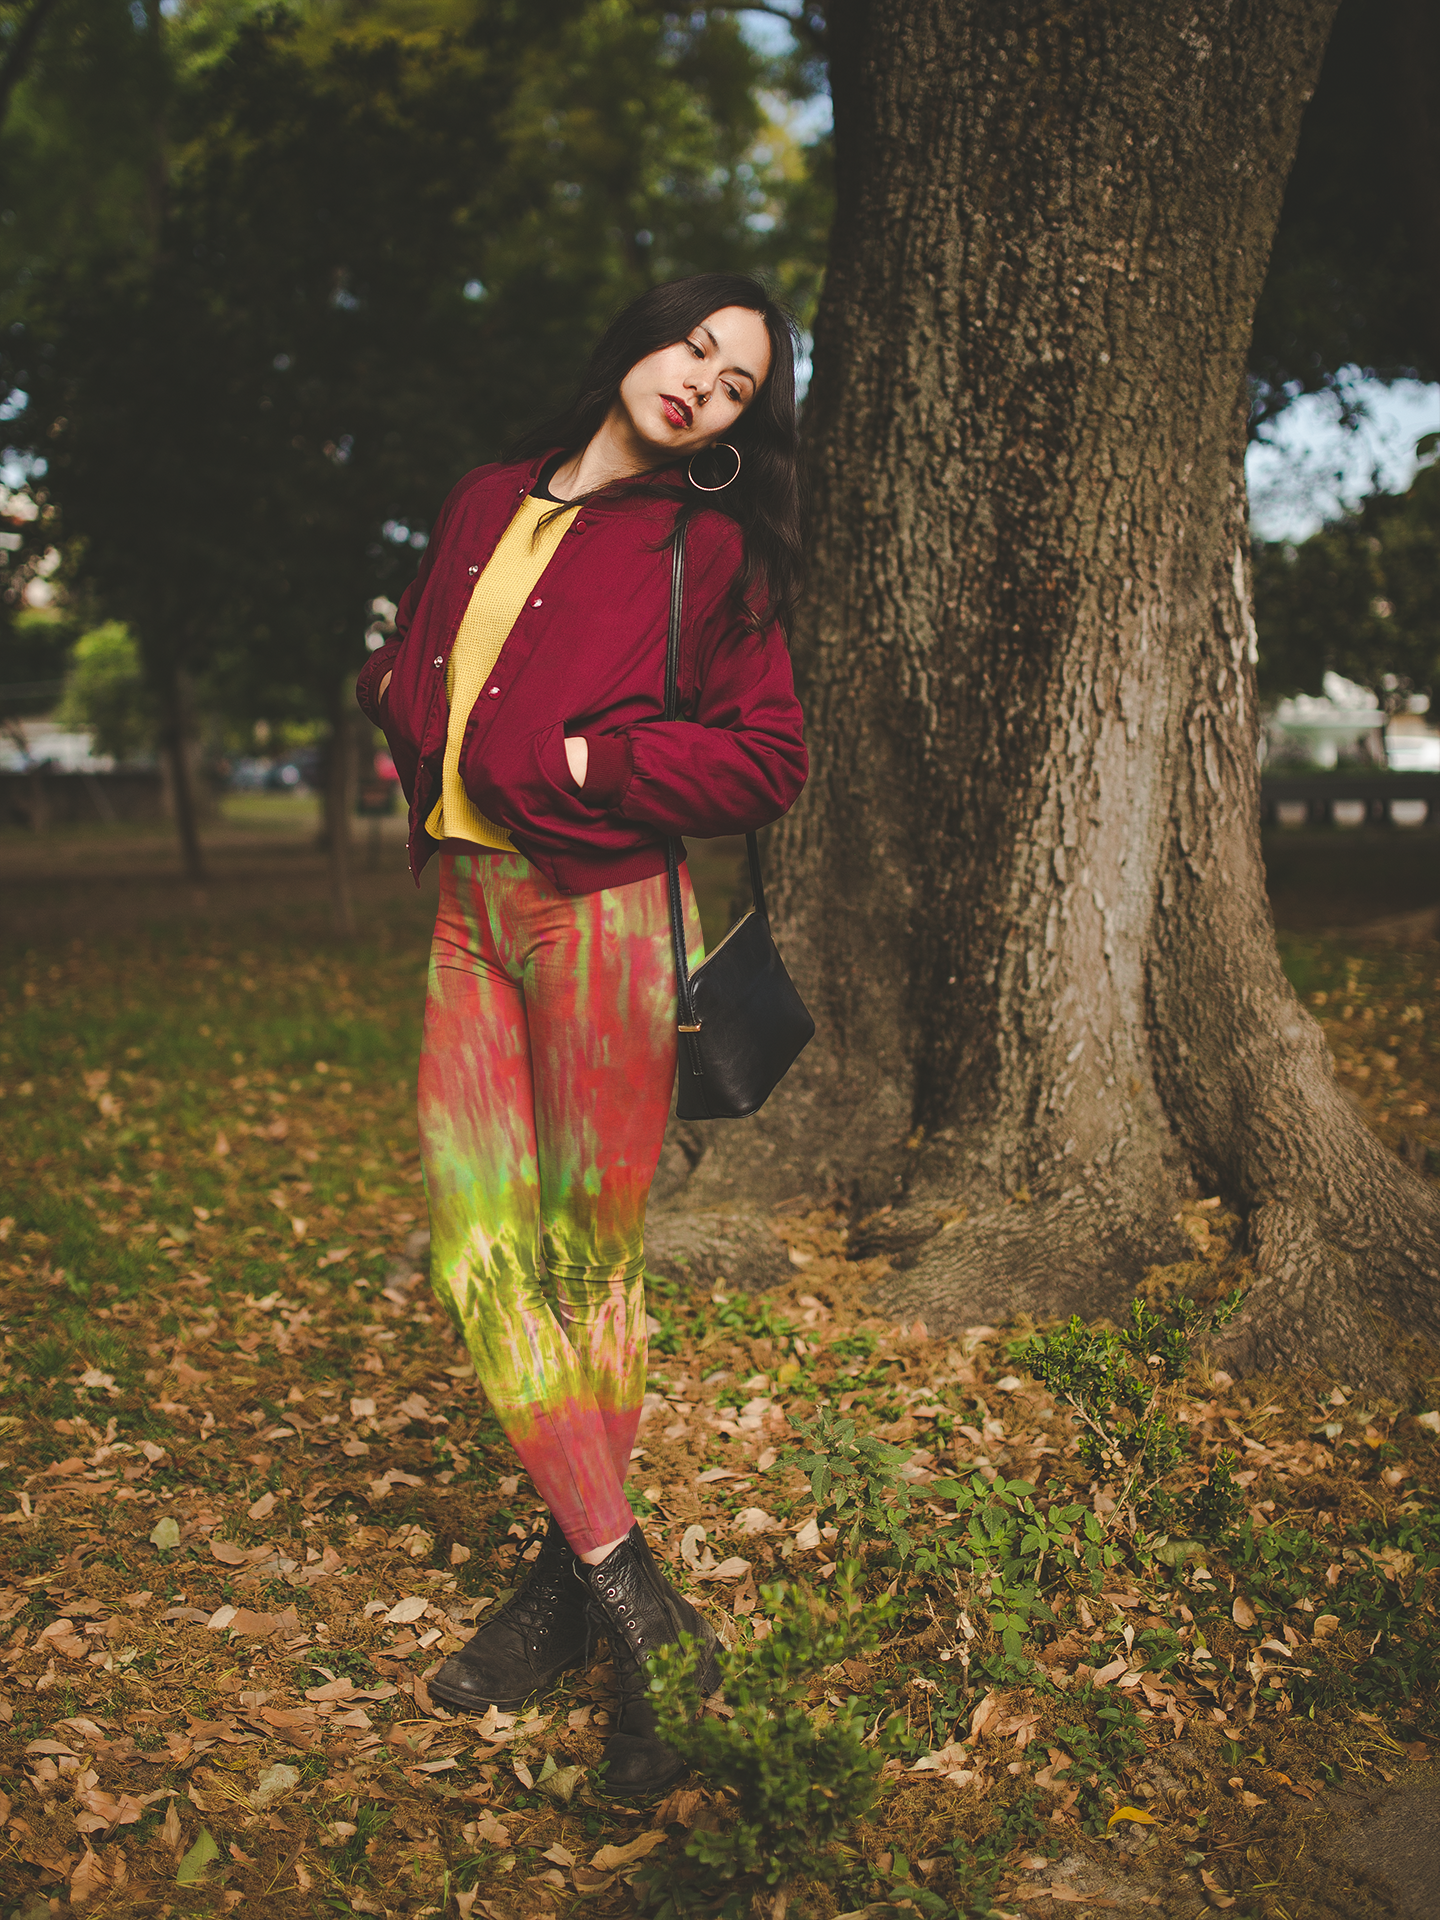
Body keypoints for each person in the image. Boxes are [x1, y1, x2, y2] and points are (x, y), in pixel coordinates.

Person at [355, 272, 807, 1796]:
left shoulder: (709, 547)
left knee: (580, 1261)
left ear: (739, 426)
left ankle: (571, 1598)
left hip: (607, 918)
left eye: (737, 384)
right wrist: (404, 707)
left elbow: (770, 754)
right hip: (471, 918)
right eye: (696, 347)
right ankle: (642, 1613)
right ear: (640, 332)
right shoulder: (489, 496)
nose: (701, 384)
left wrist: (580, 755)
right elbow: (422, 653)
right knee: (476, 1248)